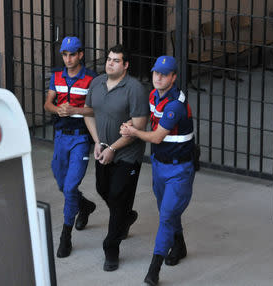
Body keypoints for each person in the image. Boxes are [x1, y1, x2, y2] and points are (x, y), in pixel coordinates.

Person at [120, 56, 196, 286]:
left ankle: (154, 270)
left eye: (164, 74)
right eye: (156, 73)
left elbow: (156, 136)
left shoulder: (175, 105)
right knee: (167, 210)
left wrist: (132, 132)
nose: (159, 77)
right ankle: (179, 244)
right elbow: (151, 125)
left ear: (173, 77)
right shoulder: (154, 95)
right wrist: (132, 126)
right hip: (160, 165)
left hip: (178, 170)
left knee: (165, 217)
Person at [84, 44, 149, 271]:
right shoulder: (96, 83)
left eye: (116, 60)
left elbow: (138, 126)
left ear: (126, 65)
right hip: (103, 149)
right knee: (103, 189)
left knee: (118, 193)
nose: (110, 63)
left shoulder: (135, 89)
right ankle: (126, 217)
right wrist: (98, 142)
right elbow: (89, 112)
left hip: (128, 154)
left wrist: (113, 148)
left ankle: (111, 247)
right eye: (109, 59)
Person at [44, 36, 97, 258]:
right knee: (62, 183)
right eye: (65, 54)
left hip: (80, 138)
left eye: (72, 54)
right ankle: (84, 206)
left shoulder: (91, 79)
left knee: (69, 188)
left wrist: (75, 111)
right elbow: (47, 103)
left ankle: (66, 236)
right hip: (60, 137)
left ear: (80, 55)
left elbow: (95, 110)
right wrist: (58, 110)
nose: (67, 59)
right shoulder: (56, 76)